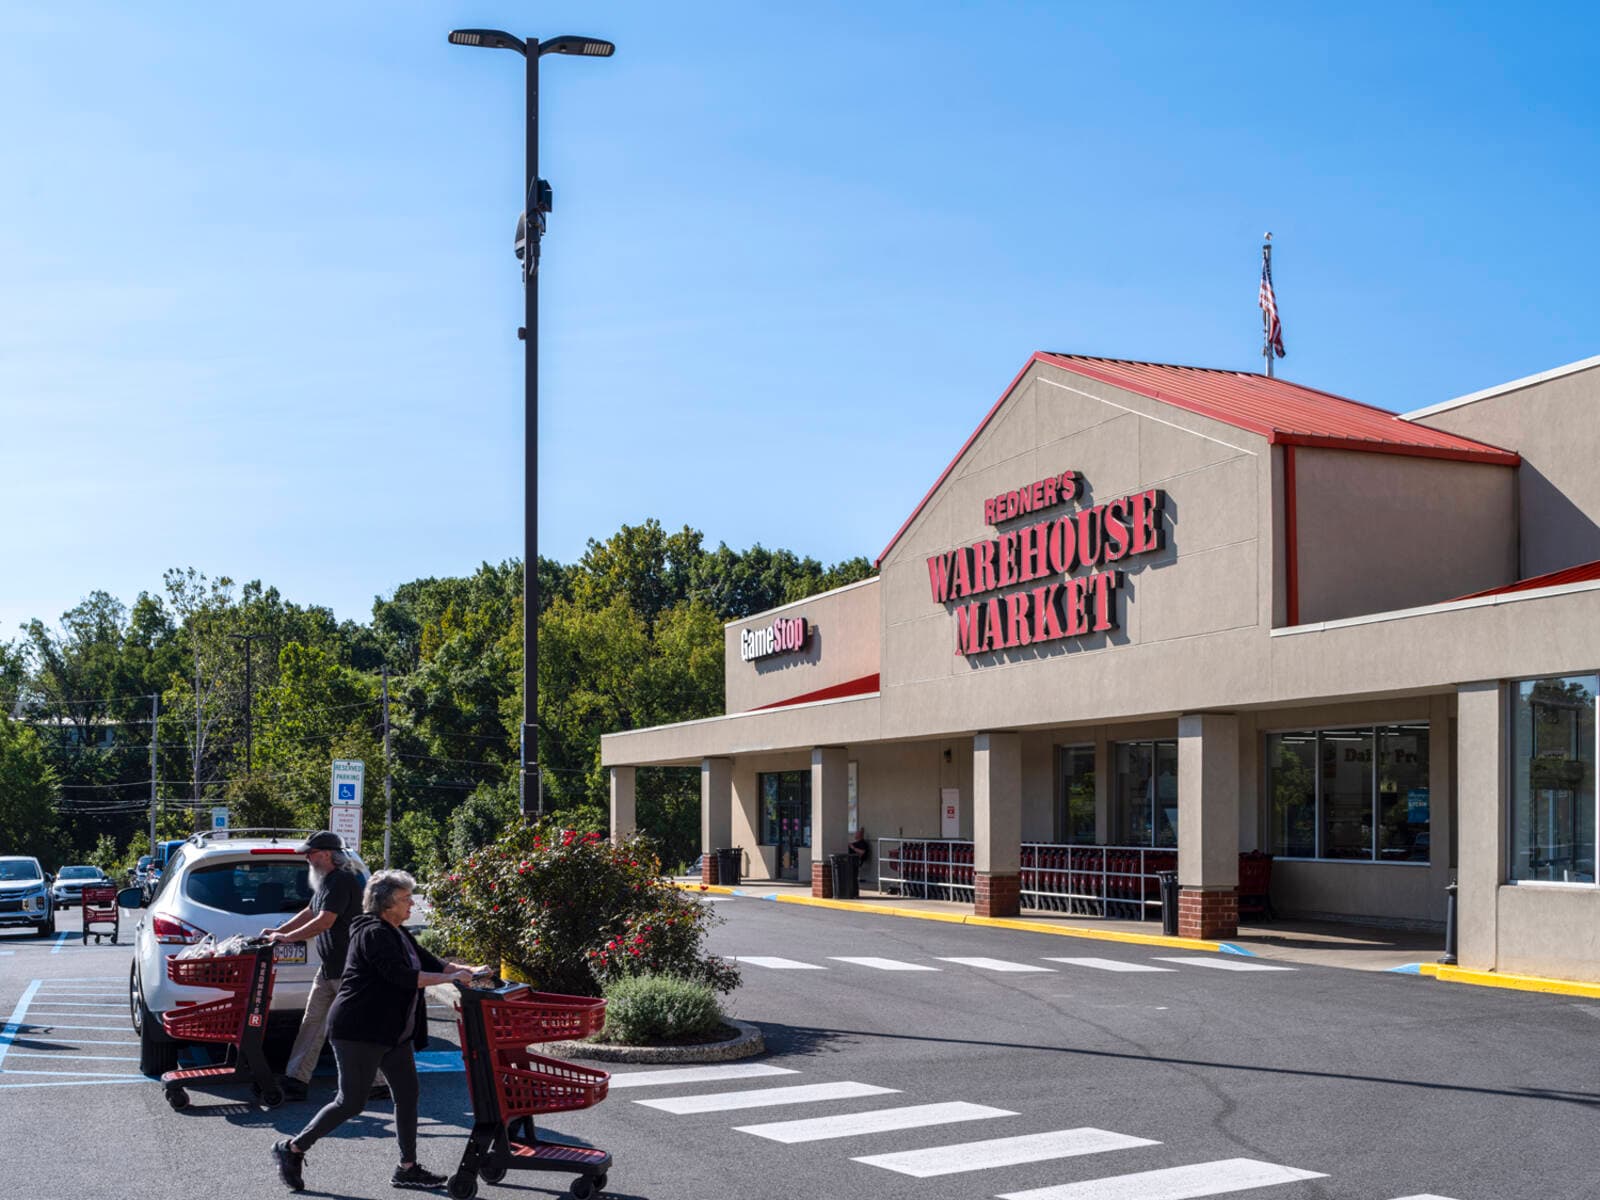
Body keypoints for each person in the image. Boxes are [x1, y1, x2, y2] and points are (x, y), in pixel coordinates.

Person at [271, 869, 483, 1192]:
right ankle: (292, 1149)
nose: (412, 904)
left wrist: (470, 971)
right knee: (351, 1102)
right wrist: (449, 980)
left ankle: (407, 1167)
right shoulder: (373, 933)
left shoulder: (397, 931)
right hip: (358, 1030)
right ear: (386, 903)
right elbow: (404, 976)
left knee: (408, 1094)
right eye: (405, 898)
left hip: (391, 1032)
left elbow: (433, 962)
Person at [262, 831, 382, 1102]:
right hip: (329, 966)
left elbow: (325, 921)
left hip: (351, 968)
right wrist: (279, 930)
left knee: (354, 1028)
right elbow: (310, 911)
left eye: (311, 853)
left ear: (327, 854)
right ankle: (296, 1079)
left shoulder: (342, 880)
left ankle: (377, 1082)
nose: (307, 857)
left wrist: (288, 938)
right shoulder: (327, 881)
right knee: (312, 1023)